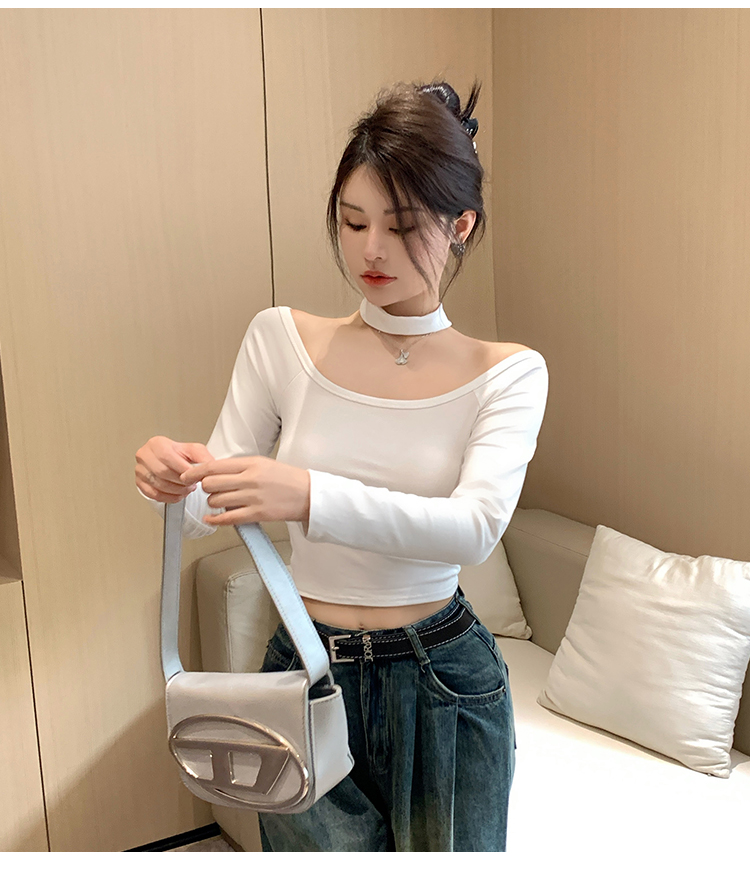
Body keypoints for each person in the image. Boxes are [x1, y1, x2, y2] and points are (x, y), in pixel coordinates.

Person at [134, 78, 549, 851]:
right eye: (353, 221)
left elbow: (474, 530)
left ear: (461, 225)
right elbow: (201, 513)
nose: (370, 250)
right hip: (302, 665)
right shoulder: (281, 341)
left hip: (442, 677)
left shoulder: (509, 373)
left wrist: (306, 495)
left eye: (401, 226)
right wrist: (173, 478)